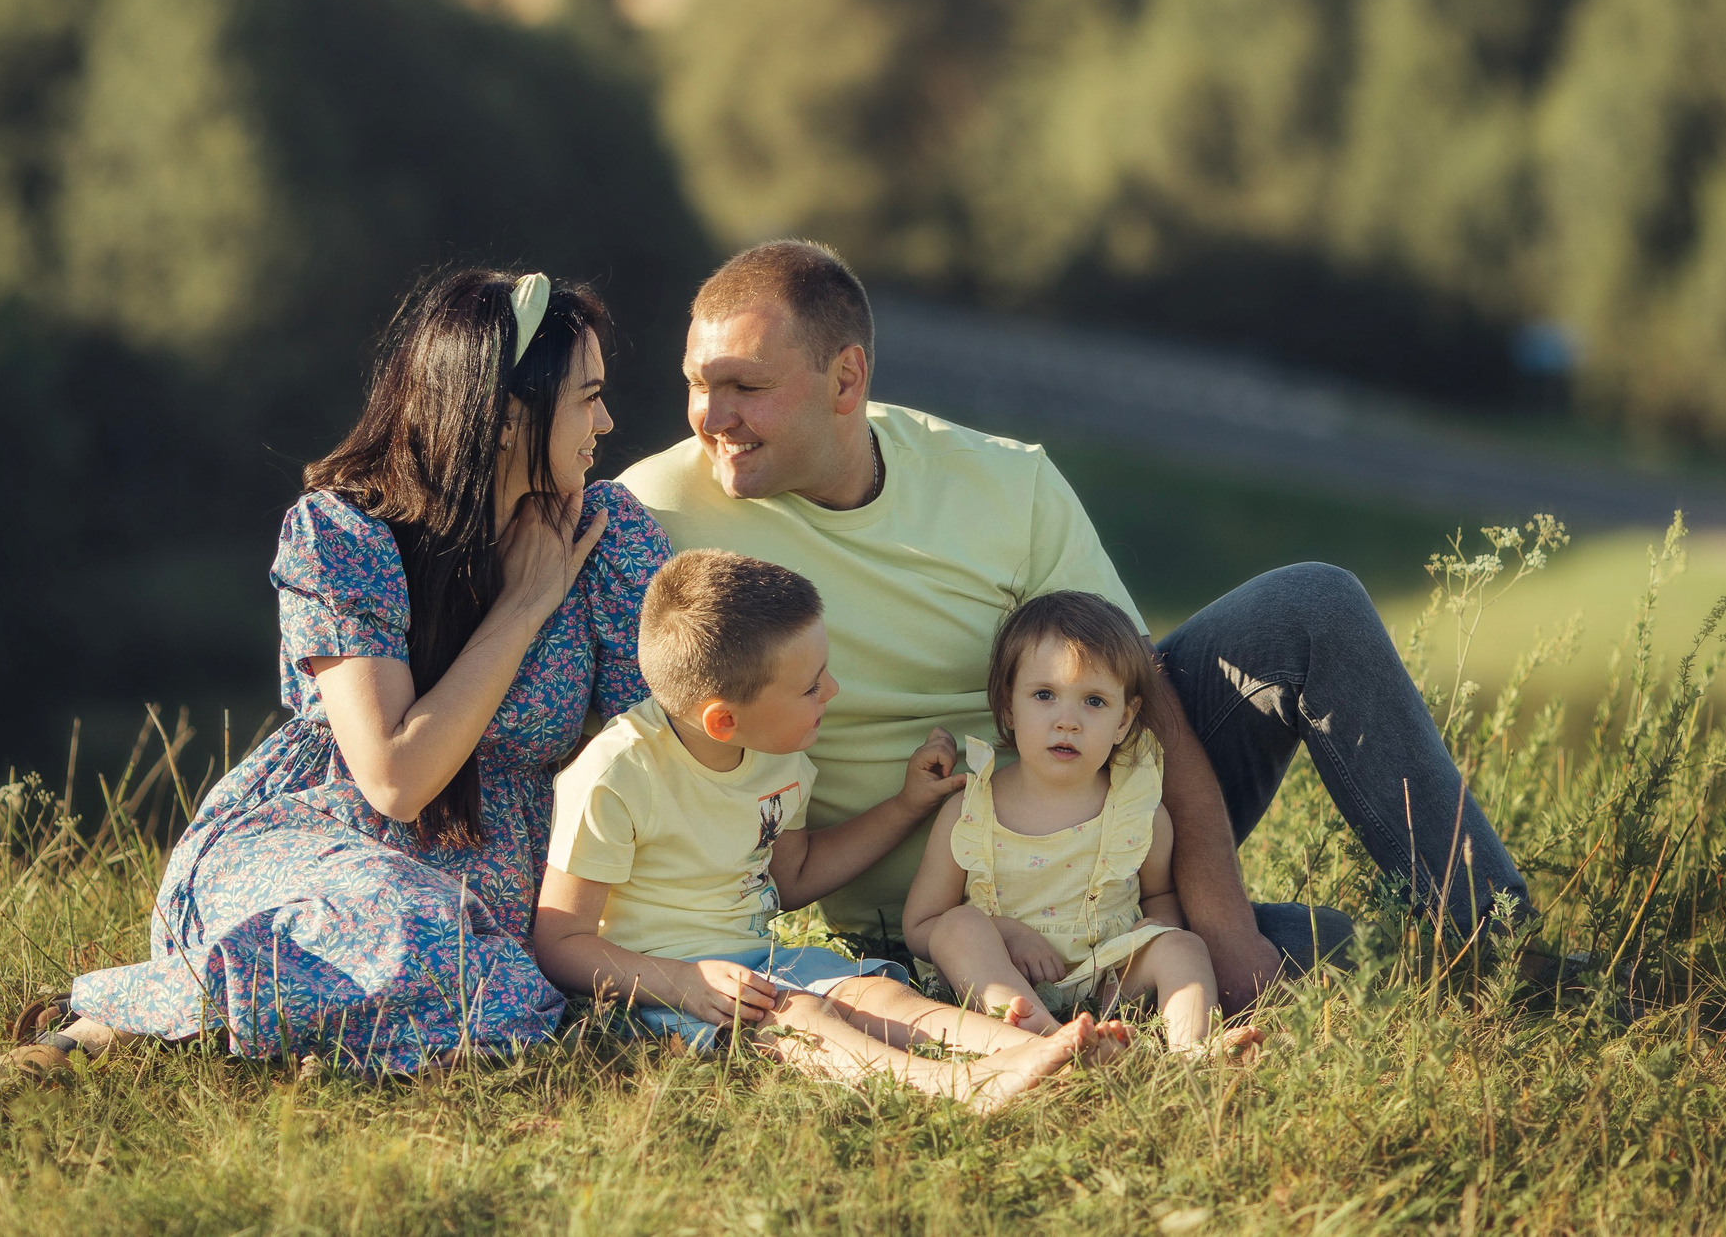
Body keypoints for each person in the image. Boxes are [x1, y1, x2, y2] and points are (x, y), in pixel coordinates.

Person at [619, 239, 1530, 1009]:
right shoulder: (653, 513)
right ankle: (1528, 983)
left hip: (1113, 846)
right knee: (1363, 959)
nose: (713, 416)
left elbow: (1148, 695)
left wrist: (1214, 922)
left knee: (1312, 604)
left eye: (744, 385)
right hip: (952, 920)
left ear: (845, 378)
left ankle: (1501, 933)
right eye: (699, 384)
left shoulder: (1005, 484)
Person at [13, 269, 672, 1076]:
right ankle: (108, 1024)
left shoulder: (607, 536)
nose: (606, 420)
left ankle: (252, 1023)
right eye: (588, 396)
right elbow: (396, 779)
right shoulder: (347, 537)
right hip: (320, 841)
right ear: (505, 416)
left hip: (490, 897)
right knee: (419, 933)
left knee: (500, 985)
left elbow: (663, 747)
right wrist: (525, 605)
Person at [534, 549, 1128, 1110]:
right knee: (799, 1017)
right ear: (724, 719)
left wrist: (906, 805)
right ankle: (957, 1086)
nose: (832, 690)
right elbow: (561, 944)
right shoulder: (616, 776)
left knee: (878, 995)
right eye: (811, 685)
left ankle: (1043, 1047)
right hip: (667, 985)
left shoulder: (777, 750)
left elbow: (790, 877)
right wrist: (685, 982)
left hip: (762, 959)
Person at [905, 591, 1265, 1062]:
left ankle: (1192, 1051)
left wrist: (1152, 935)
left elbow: (1158, 899)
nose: (1067, 721)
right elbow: (919, 926)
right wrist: (1006, 932)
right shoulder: (972, 811)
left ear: (1125, 720)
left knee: (1182, 946)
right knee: (956, 928)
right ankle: (1049, 1041)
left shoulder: (1137, 814)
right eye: (1044, 695)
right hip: (1003, 979)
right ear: (1009, 708)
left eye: (1094, 701)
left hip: (1108, 980)